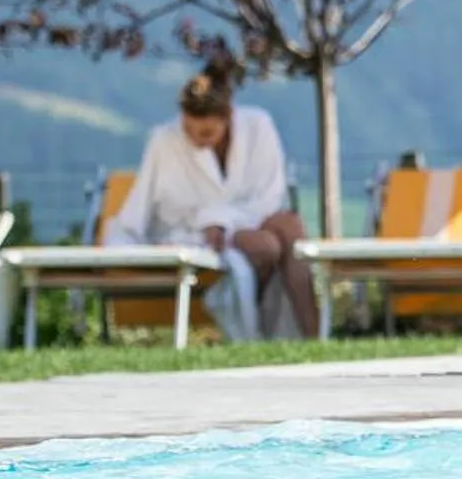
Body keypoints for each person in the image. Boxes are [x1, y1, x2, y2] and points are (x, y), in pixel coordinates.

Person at [100, 55, 310, 341]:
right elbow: (142, 203)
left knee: (290, 226)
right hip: (193, 235)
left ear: (228, 117)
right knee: (267, 246)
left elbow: (270, 196)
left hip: (248, 224)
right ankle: (262, 334)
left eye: (208, 132)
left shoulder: (258, 127)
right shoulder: (165, 139)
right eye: (189, 130)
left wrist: (223, 221)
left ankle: (315, 330)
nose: (196, 140)